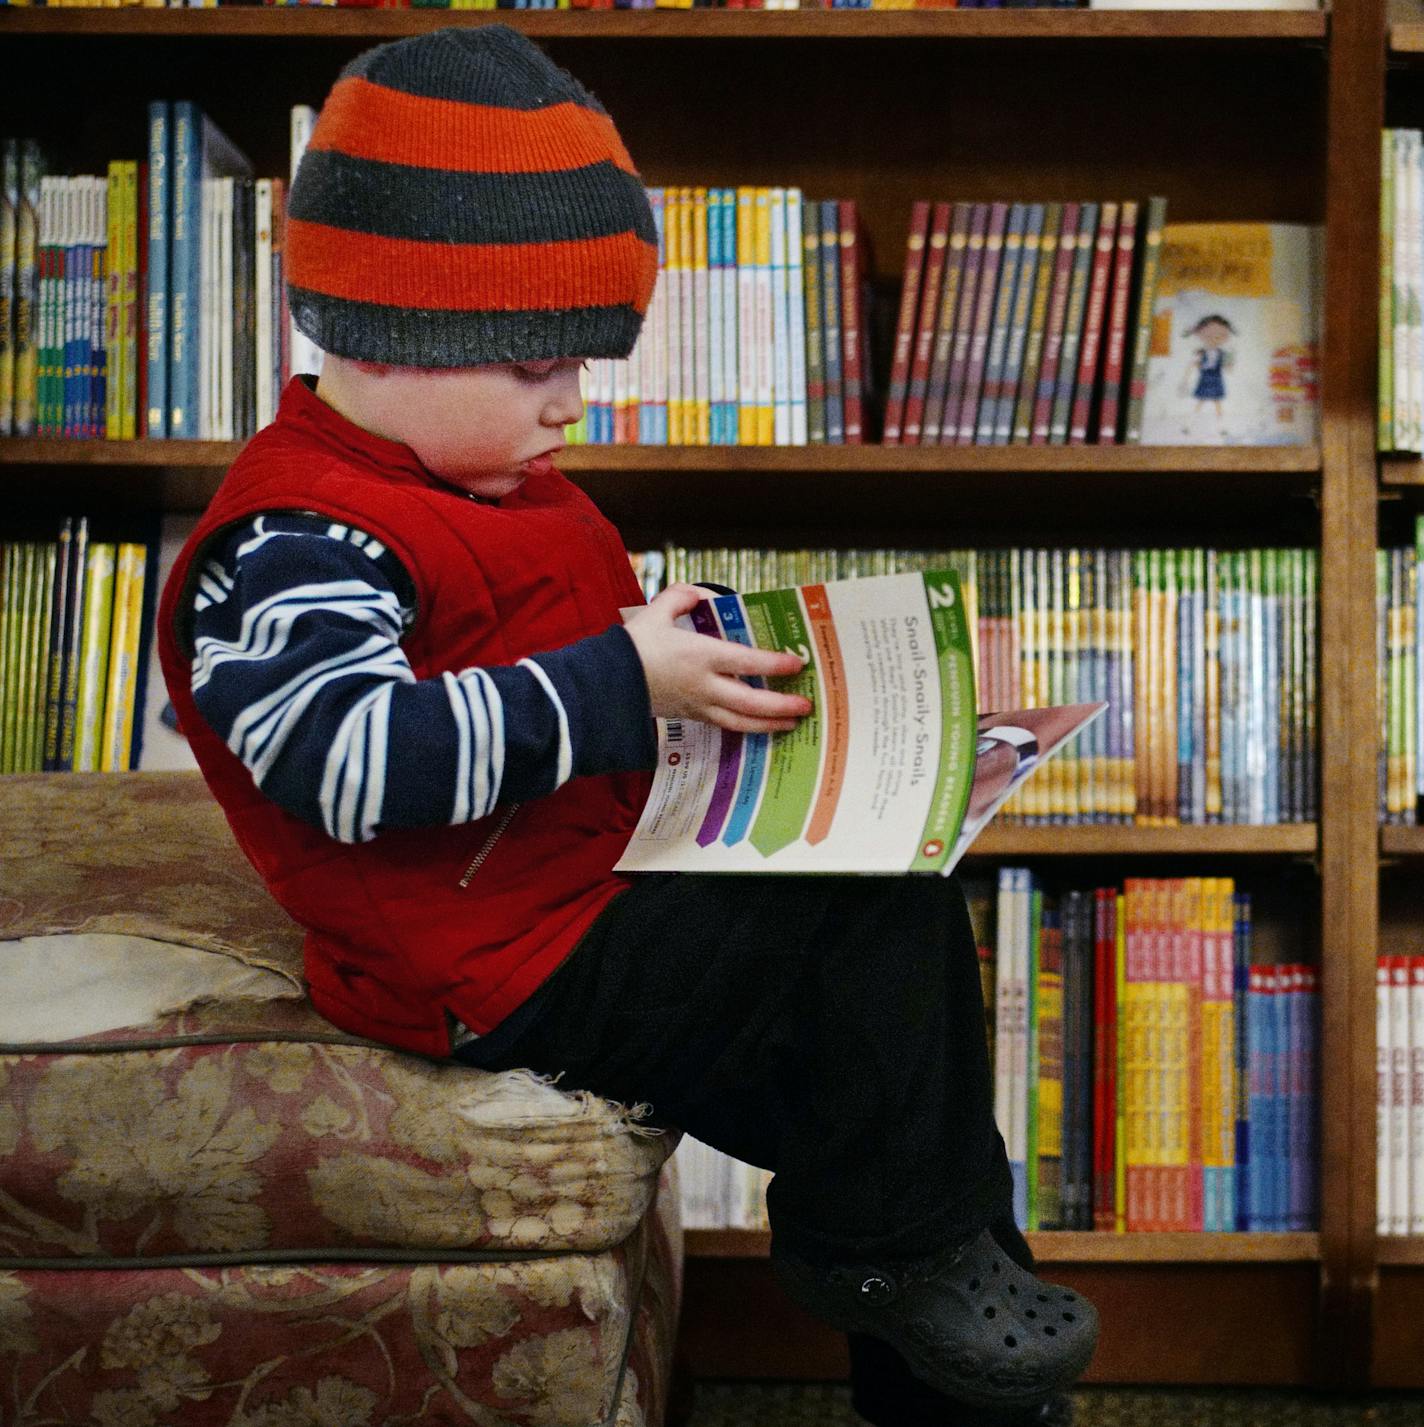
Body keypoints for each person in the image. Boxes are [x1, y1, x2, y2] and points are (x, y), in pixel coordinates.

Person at [156, 26, 1098, 1427]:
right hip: (492, 964)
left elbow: (538, 651)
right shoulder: (293, 535)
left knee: (922, 1137)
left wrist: (715, 658)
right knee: (873, 929)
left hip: (587, 900)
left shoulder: (489, 483)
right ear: (402, 332)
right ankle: (891, 1255)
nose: (570, 403)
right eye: (540, 364)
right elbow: (349, 762)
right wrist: (620, 681)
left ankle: (928, 1296)